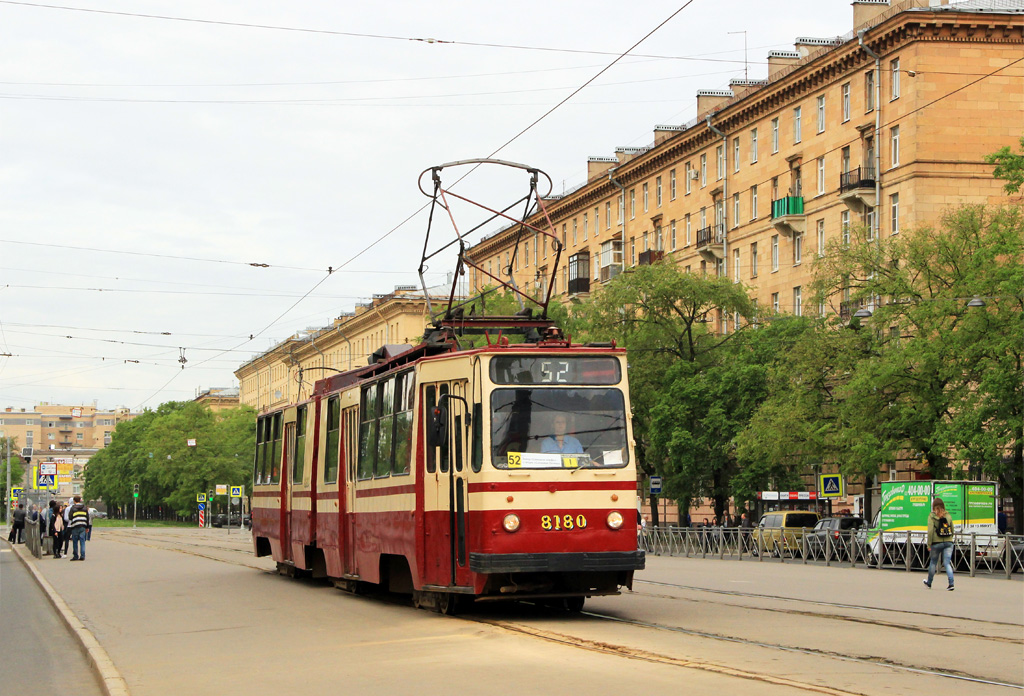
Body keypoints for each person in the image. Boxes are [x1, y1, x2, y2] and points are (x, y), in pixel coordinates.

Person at [923, 498, 955, 591]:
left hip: (936, 543)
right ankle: (951, 583)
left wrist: (929, 544)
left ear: (933, 506)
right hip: (949, 542)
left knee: (933, 562)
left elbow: (930, 531)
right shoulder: (948, 515)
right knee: (947, 563)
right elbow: (952, 528)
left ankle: (929, 583)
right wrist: (950, 538)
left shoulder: (931, 516)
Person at [66, 496, 92, 561]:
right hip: (83, 526)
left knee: (75, 541)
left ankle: (75, 556)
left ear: (74, 501)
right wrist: (87, 527)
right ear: (80, 500)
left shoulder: (73, 508)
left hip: (75, 526)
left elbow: (70, 517)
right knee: (82, 541)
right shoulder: (85, 508)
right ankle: (82, 556)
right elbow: (87, 518)